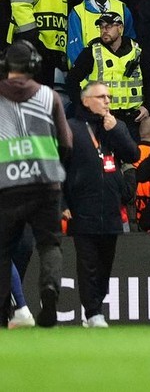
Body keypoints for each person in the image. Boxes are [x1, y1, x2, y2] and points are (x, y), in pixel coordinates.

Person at [0, 41, 72, 328]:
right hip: (45, 184)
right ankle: (50, 291)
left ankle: (6, 307)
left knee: (3, 249)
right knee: (49, 244)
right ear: (34, 65)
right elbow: (66, 143)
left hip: (7, 185)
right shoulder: (49, 96)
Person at [62, 82, 139, 328]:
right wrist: (62, 202)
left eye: (109, 96)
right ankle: (93, 312)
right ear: (86, 101)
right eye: (101, 96)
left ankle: (96, 306)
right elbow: (58, 168)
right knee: (88, 264)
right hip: (82, 207)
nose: (107, 101)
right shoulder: (70, 128)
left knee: (105, 264)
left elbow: (133, 155)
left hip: (111, 209)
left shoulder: (115, 127)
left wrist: (116, 130)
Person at [66, 12, 148, 130]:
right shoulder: (92, 52)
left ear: (120, 28)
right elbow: (71, 80)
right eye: (101, 27)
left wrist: (147, 107)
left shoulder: (137, 50)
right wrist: (85, 107)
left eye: (108, 26)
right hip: (102, 118)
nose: (104, 30)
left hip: (132, 118)